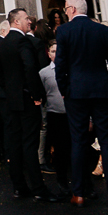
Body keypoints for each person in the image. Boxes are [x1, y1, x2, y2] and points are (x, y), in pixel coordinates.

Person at [54, 0, 108, 209]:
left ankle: (78, 193)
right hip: (102, 89)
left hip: (76, 91)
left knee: (78, 141)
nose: (64, 11)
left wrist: (64, 89)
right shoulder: (102, 30)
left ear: (71, 9)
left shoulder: (63, 31)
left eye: (65, 8)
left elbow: (60, 65)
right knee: (107, 142)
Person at [0, 8, 58, 201]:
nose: (29, 22)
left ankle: (19, 187)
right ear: (16, 22)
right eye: (26, 19)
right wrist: (36, 94)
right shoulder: (23, 41)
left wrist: (10, 89)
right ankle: (38, 188)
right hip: (26, 99)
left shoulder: (1, 43)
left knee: (14, 143)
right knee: (30, 143)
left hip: (10, 100)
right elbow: (31, 68)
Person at [38, 38, 70, 191]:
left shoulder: (71, 70)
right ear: (48, 54)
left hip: (71, 113)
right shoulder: (43, 73)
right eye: (53, 51)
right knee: (59, 149)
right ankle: (61, 180)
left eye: (58, 51)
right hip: (54, 114)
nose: (56, 54)